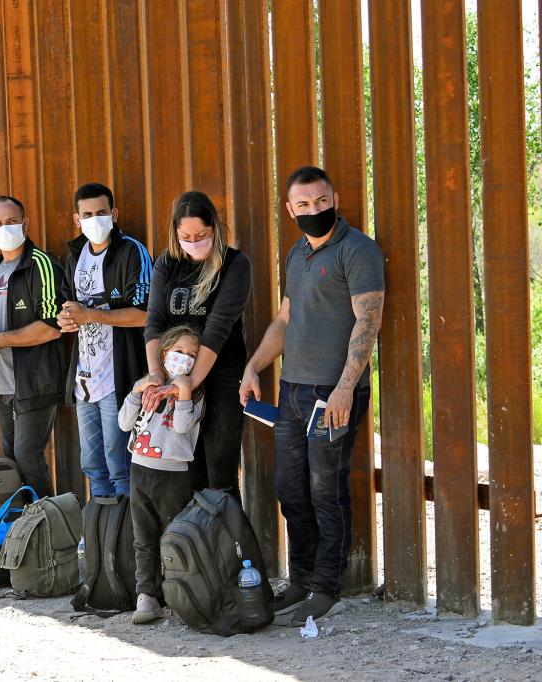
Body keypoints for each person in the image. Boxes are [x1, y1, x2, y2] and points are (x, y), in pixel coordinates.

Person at [240, 166, 384, 625]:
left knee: (326, 489)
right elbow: (285, 319)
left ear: (334, 198)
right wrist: (253, 365)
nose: (313, 211)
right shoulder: (297, 253)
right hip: (294, 391)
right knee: (290, 489)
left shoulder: (358, 250)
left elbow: (368, 321)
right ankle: (300, 578)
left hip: (335, 393)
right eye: (302, 205)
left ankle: (327, 586)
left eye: (320, 202)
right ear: (290, 209)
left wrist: (345, 388)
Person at [142, 191, 252, 498]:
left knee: (220, 474)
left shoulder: (235, 264)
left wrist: (190, 382)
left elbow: (217, 328)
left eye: (201, 235)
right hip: (173, 379)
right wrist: (156, 374)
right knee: (185, 471)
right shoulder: (167, 263)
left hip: (219, 377)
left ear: (214, 228)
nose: (194, 242)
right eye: (185, 236)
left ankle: (227, 544)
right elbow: (154, 322)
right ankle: (190, 544)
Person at [0, 196, 66, 497]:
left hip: (35, 380)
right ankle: (24, 529)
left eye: (11, 221)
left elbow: (52, 327)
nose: (5, 228)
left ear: (25, 223)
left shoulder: (41, 265)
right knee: (10, 459)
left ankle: (50, 529)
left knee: (27, 456)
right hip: (1, 380)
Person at [58, 182, 151, 497]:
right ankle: (103, 539)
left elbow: (145, 314)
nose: (94, 219)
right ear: (77, 219)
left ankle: (125, 541)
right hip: (85, 382)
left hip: (119, 381)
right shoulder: (75, 256)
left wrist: (89, 315)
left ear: (114, 214)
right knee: (94, 467)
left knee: (120, 467)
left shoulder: (131, 251)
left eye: (101, 212)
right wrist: (67, 319)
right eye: (87, 214)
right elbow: (70, 306)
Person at [119, 325, 205, 624]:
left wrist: (182, 390)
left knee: (173, 534)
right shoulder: (149, 389)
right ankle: (147, 594)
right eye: (179, 352)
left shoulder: (193, 396)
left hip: (173, 475)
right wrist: (136, 391)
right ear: (165, 352)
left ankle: (178, 592)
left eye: (192, 355)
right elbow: (124, 423)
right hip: (139, 470)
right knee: (143, 537)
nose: (184, 359)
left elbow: (181, 427)